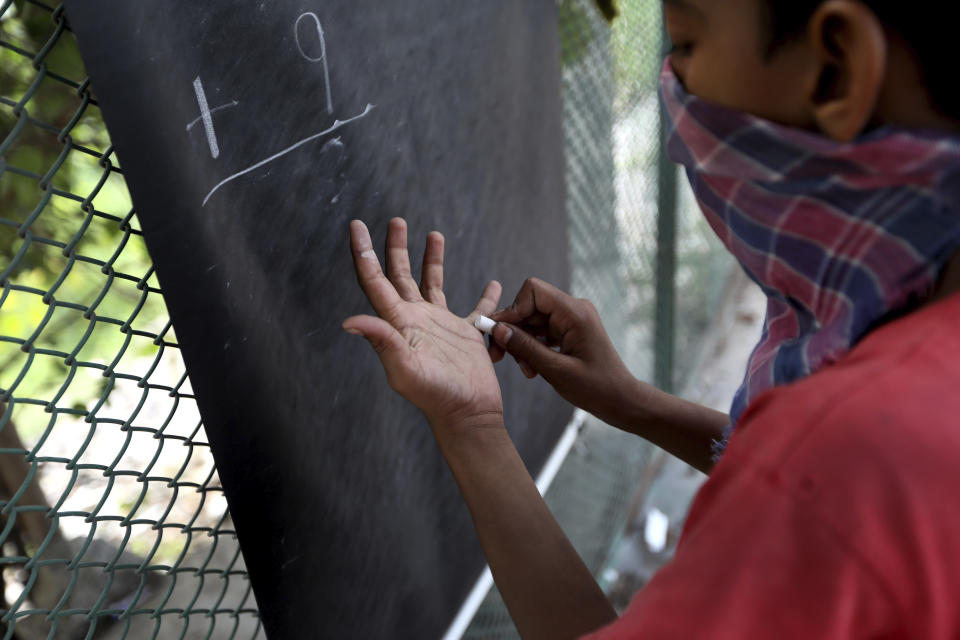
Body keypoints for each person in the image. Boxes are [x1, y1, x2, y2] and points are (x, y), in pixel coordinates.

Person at [342, 0, 960, 637]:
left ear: (836, 70)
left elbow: (818, 483)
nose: (675, 101)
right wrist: (632, 402)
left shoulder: (845, 457)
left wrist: (470, 423)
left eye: (687, 43)